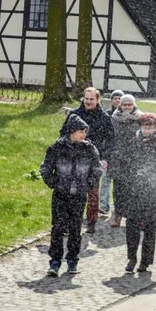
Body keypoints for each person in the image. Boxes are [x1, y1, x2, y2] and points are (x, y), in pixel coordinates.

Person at [41, 114, 102, 277]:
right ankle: (54, 261)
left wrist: (88, 184)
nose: (84, 135)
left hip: (79, 195)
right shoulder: (56, 148)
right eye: (81, 132)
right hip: (61, 195)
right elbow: (46, 168)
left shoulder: (89, 149)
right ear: (72, 131)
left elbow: (97, 170)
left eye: (85, 132)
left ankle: (72, 260)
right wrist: (54, 183)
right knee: (58, 228)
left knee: (75, 228)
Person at [125, 114, 156, 273]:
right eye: (145, 127)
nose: (147, 130)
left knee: (150, 229)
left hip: (153, 193)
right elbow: (125, 165)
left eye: (150, 127)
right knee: (132, 228)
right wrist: (133, 176)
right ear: (140, 127)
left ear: (155, 128)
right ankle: (132, 258)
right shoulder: (133, 144)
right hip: (135, 192)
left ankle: (145, 261)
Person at [60, 87, 114, 235]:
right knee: (70, 193)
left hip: (93, 160)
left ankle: (91, 222)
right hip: (73, 159)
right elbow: (63, 133)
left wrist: (105, 158)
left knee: (92, 193)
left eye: (92, 99)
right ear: (83, 98)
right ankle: (68, 223)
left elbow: (110, 140)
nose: (88, 102)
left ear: (98, 100)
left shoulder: (104, 118)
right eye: (86, 98)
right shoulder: (74, 115)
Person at [108, 94, 142, 227]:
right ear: (120, 105)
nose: (127, 107)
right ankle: (117, 214)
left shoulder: (140, 118)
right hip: (118, 158)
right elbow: (110, 137)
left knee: (135, 188)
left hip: (134, 159)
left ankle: (135, 216)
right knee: (118, 189)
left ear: (134, 105)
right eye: (124, 104)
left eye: (129, 104)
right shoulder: (114, 119)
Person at [100, 89, 124, 214]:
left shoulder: (126, 115)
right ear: (111, 100)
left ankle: (118, 206)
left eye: (119, 98)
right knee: (105, 179)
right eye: (115, 98)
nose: (117, 100)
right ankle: (103, 205)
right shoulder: (106, 115)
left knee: (119, 183)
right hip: (108, 152)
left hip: (121, 153)